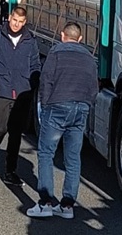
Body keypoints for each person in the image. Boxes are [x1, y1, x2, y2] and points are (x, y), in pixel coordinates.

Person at [27, 23, 98, 220]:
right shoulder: (89, 58)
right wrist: (86, 104)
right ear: (80, 39)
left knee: (46, 153)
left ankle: (46, 203)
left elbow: (46, 80)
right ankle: (67, 205)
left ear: (62, 35)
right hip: (80, 108)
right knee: (73, 157)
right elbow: (94, 87)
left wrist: (45, 104)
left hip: (57, 105)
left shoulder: (56, 53)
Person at [0, 5, 40, 186]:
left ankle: (10, 171)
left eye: (20, 21)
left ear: (24, 22)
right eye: (14, 20)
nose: (16, 24)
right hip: (1, 91)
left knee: (16, 133)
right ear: (9, 18)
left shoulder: (30, 41)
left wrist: (34, 84)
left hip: (23, 93)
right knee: (0, 128)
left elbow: (35, 65)